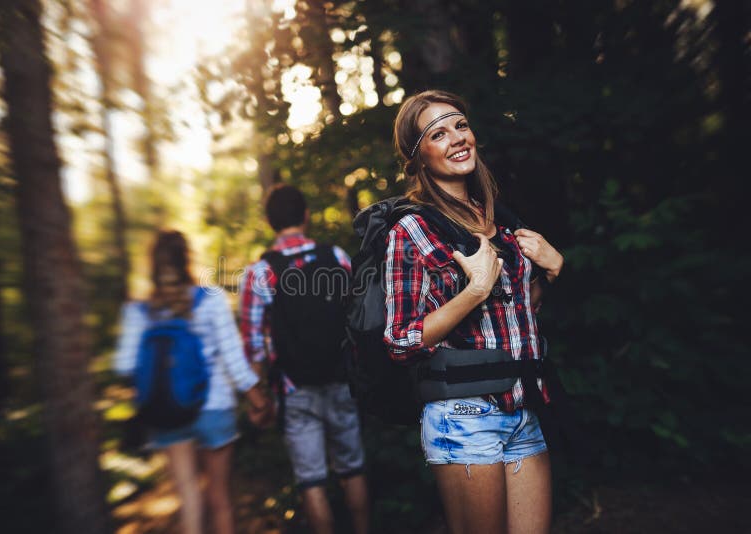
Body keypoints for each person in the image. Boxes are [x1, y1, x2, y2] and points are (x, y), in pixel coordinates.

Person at [384, 90, 564, 534]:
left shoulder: (499, 219)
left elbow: (522, 310)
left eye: (460, 125)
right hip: (463, 416)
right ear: (419, 157)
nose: (456, 138)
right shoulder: (412, 230)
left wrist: (553, 272)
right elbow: (400, 339)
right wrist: (475, 289)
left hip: (522, 409)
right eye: (437, 133)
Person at [114, 230, 272, 534]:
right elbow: (234, 361)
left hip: (167, 412)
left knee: (189, 497)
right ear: (188, 260)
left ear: (153, 265)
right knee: (219, 498)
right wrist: (259, 402)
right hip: (215, 408)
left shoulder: (138, 310)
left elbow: (124, 366)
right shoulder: (211, 299)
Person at [239, 184, 370, 534]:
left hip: (294, 387)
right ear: (306, 216)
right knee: (352, 470)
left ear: (269, 222)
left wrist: (259, 401)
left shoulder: (260, 273)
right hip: (341, 379)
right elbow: (358, 317)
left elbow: (252, 344)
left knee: (312, 481)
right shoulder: (337, 257)